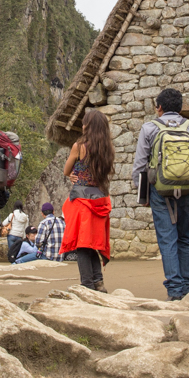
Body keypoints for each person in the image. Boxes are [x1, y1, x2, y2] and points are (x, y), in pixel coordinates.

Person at [133, 87, 189, 301]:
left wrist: (144, 196)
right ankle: (188, 287)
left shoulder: (149, 128)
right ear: (179, 109)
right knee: (186, 236)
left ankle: (175, 291)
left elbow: (140, 165)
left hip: (160, 191)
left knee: (167, 238)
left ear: (159, 108)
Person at [61, 108, 115, 291]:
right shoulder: (108, 149)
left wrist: (71, 175)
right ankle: (98, 282)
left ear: (88, 126)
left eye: (84, 123)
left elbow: (66, 170)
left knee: (82, 244)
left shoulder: (79, 147)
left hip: (82, 201)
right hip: (100, 199)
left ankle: (87, 285)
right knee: (93, 242)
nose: (82, 126)